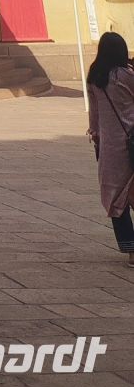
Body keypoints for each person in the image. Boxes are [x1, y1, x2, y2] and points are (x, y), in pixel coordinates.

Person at [86, 30, 134, 258]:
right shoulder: (127, 75)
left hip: (110, 148)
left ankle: (130, 249)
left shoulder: (95, 78)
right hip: (131, 140)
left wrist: (96, 138)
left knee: (116, 198)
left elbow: (94, 117)